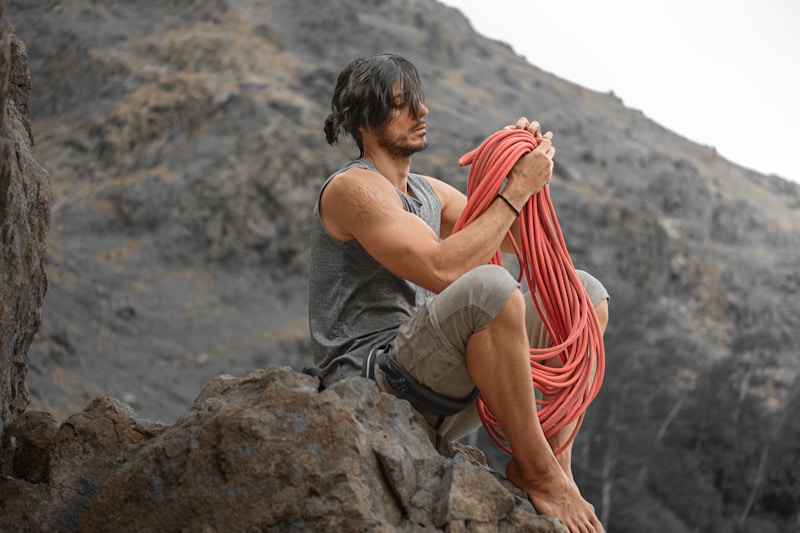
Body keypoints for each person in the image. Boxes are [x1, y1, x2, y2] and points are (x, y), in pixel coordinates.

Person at [308, 53, 610, 533]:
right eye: (403, 103)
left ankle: (553, 463)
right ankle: (538, 472)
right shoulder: (352, 189)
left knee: (584, 292)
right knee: (488, 289)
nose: (421, 112)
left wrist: (524, 168)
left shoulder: (430, 193)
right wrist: (515, 191)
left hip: (438, 387)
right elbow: (441, 270)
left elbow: (515, 236)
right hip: (374, 382)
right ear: (364, 120)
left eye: (419, 102)